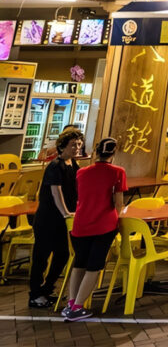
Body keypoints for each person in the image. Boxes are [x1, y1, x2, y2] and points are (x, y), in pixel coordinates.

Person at [63, 137, 126, 321]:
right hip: (104, 224)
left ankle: (71, 302)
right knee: (94, 266)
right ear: (113, 154)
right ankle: (78, 306)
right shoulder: (118, 172)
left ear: (96, 152)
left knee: (79, 263)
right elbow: (118, 203)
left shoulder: (81, 172)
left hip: (81, 224)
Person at [29, 128, 83, 309]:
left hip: (61, 221)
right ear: (62, 146)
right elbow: (56, 192)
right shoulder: (55, 166)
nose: (77, 147)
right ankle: (35, 294)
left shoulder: (73, 165)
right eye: (73, 144)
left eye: (79, 144)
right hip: (47, 219)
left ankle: (47, 289)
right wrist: (66, 213)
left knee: (62, 255)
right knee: (41, 257)